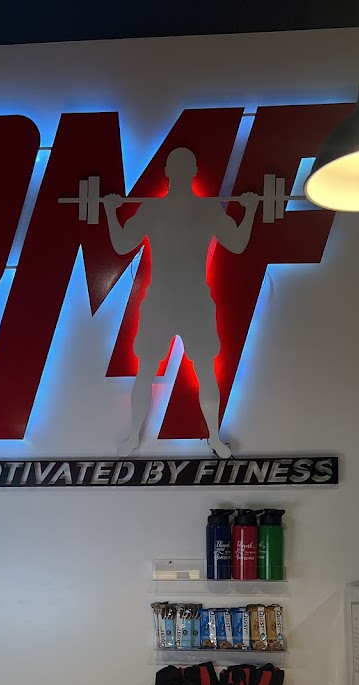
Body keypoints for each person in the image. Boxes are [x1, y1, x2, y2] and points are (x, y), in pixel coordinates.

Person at [103, 147, 258, 458]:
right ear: (185, 173)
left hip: (190, 299)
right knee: (150, 370)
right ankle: (134, 436)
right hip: (166, 299)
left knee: (201, 370)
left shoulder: (201, 210)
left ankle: (213, 437)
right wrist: (109, 210)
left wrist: (251, 210)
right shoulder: (157, 209)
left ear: (174, 173)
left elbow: (238, 244)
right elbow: (121, 244)